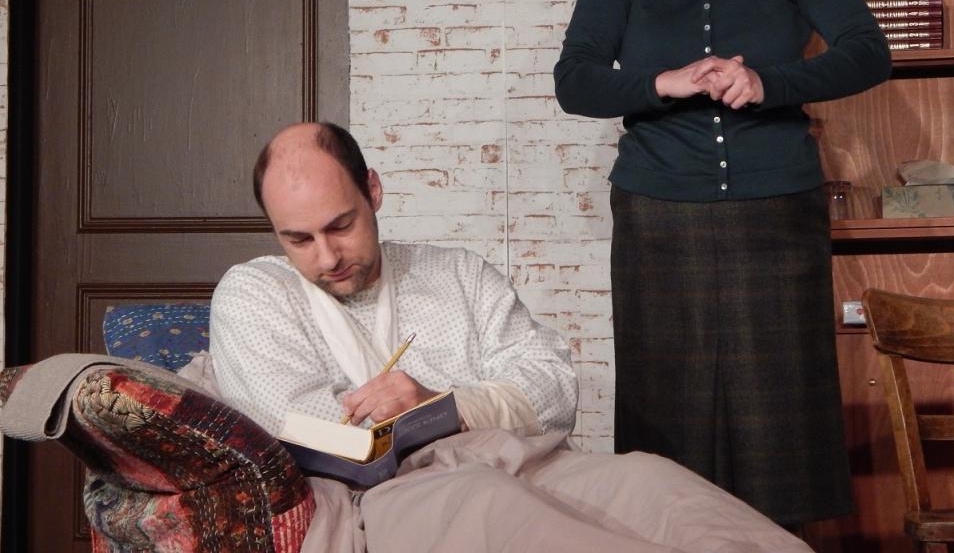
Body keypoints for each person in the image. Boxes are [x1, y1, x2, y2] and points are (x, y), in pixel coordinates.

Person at [208, 120, 813, 552]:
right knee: (500, 510)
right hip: (402, 493)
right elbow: (293, 421)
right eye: (298, 239)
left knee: (653, 484)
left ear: (374, 190)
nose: (327, 256)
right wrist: (422, 429)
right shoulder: (254, 293)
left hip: (521, 458)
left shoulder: (457, 273)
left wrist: (443, 405)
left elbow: (553, 387)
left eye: (341, 225)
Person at [553, 0, 892, 530]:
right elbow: (575, 80)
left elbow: (868, 51)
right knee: (668, 420)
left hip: (776, 215)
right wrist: (663, 82)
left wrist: (769, 82)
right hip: (658, 215)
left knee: (781, 423)